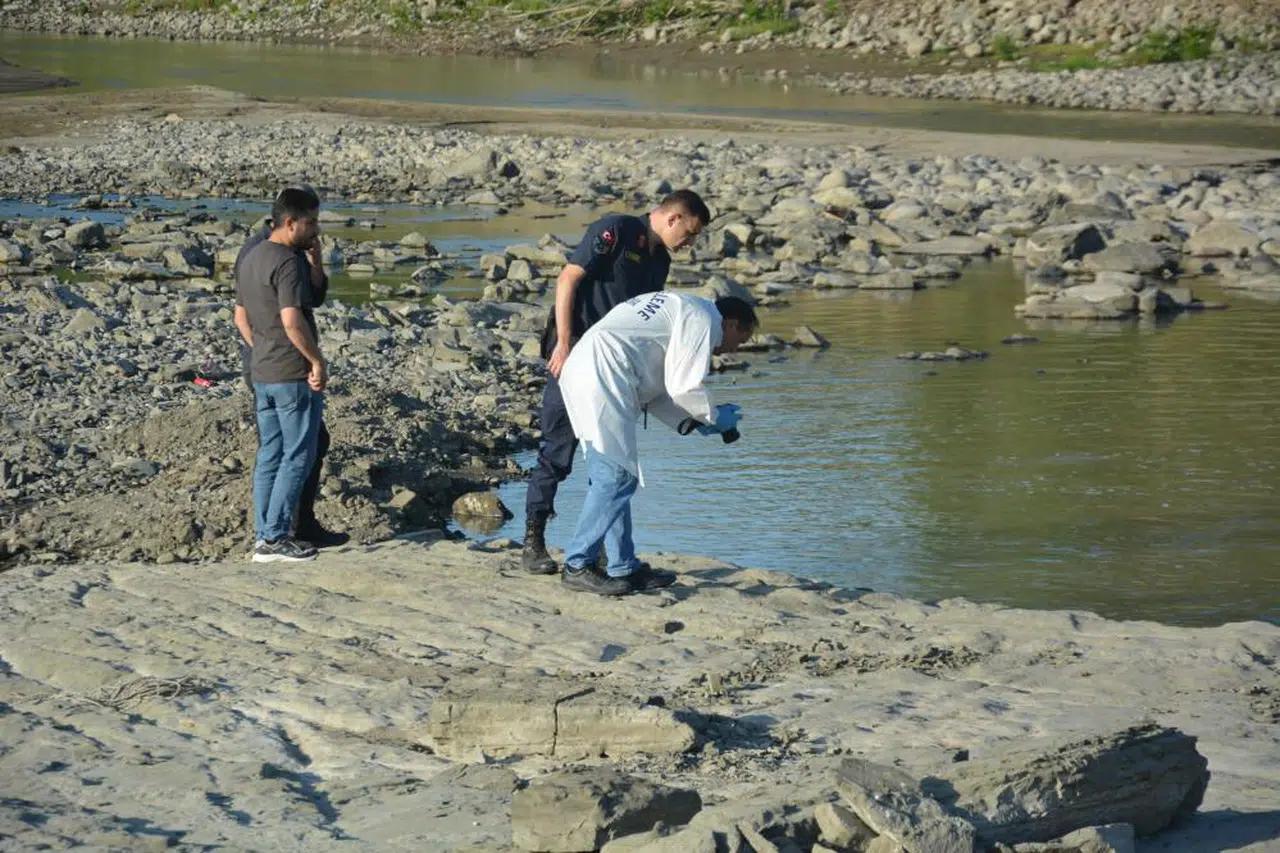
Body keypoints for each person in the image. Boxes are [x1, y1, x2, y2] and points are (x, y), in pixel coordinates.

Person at [522, 189, 712, 575]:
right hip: (575, 356)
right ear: (673, 218)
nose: (690, 244)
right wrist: (562, 342)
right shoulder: (617, 231)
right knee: (557, 449)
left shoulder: (659, 261)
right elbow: (567, 280)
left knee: (613, 460)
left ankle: (612, 556)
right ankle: (534, 541)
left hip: (614, 371)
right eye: (690, 234)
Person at [555, 292, 759, 596]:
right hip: (603, 372)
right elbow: (684, 386)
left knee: (612, 476)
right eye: (740, 340)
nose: (734, 349)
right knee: (616, 477)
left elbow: (661, 387)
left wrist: (695, 422)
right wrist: (715, 417)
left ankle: (624, 567)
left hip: (590, 369)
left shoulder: (686, 309)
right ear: (730, 324)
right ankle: (577, 565)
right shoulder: (704, 319)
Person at [234, 185, 347, 550]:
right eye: (311, 222)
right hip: (289, 373)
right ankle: (276, 536)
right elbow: (291, 319)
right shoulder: (284, 261)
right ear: (289, 222)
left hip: (263, 371)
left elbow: (241, 317)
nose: (316, 230)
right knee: (298, 453)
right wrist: (315, 360)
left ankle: (264, 535)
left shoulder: (252, 255)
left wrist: (260, 350)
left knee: (270, 454)